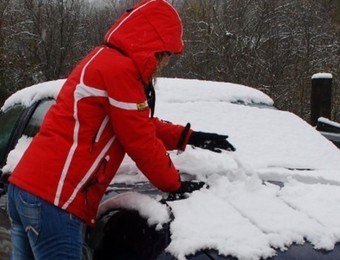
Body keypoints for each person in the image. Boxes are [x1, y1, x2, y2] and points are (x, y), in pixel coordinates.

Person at [7, 0, 235, 259]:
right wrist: (174, 184)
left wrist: (188, 136)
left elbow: (136, 123)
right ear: (154, 46)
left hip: (27, 189)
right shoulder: (119, 70)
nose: (165, 63)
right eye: (166, 55)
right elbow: (139, 140)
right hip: (54, 199)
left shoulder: (103, 60)